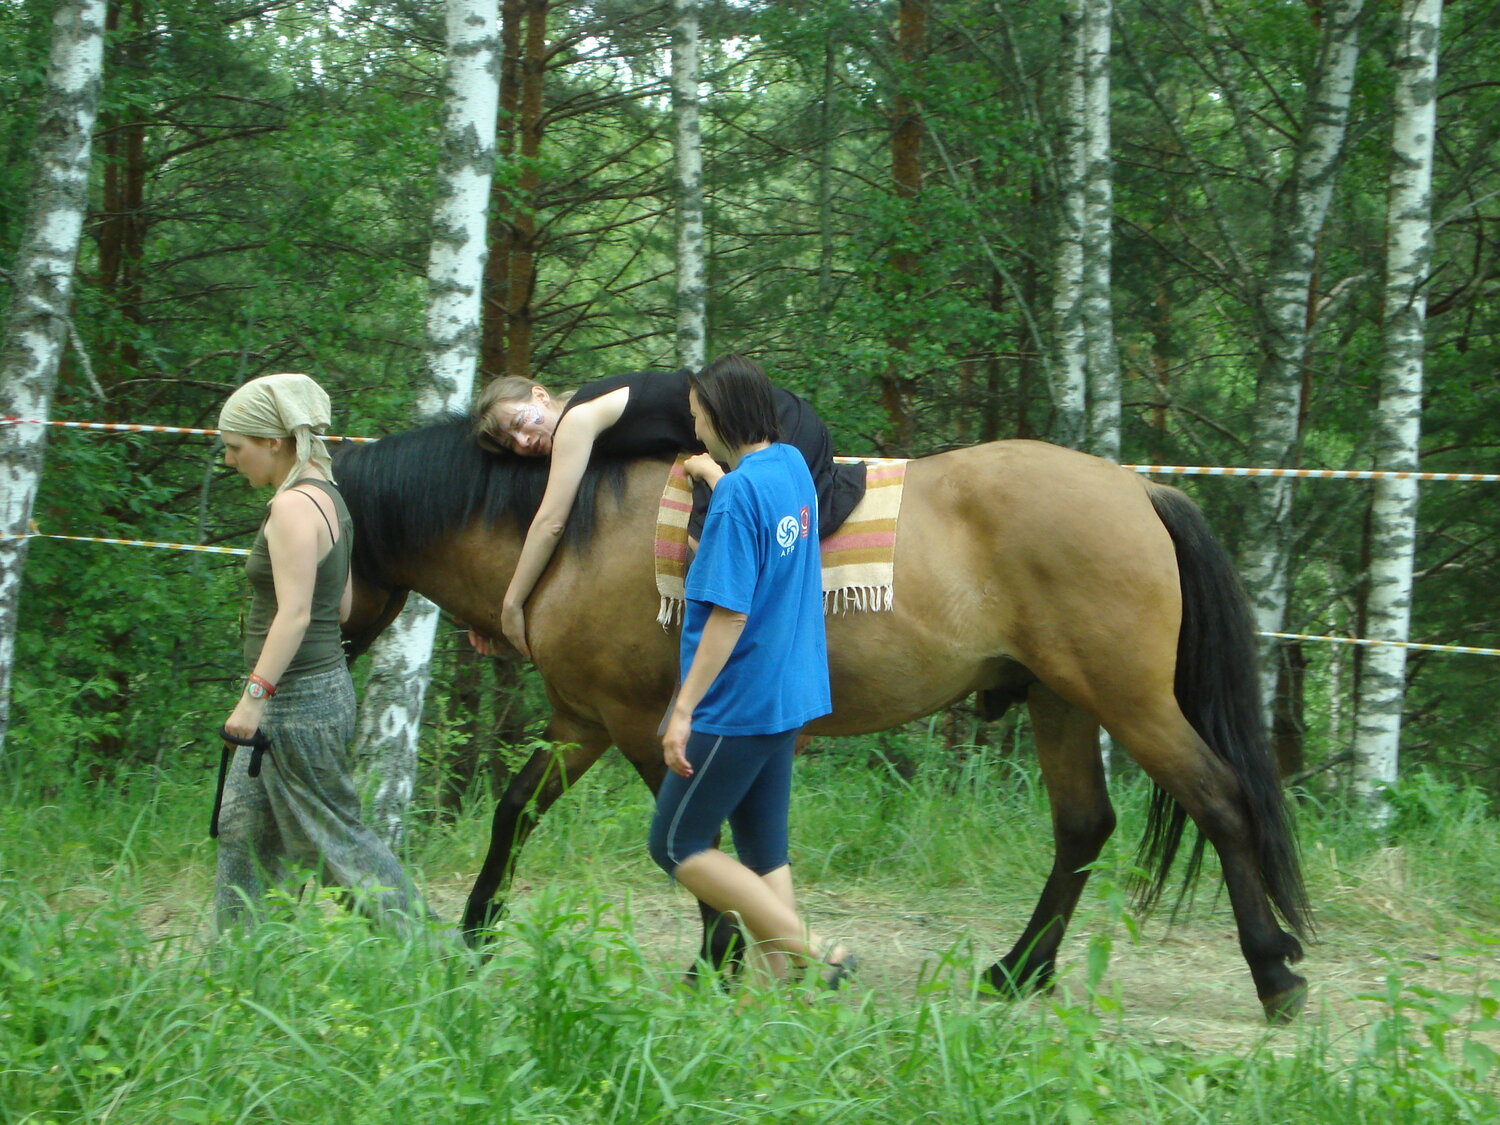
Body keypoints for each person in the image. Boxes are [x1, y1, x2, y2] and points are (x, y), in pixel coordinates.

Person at [646, 355, 855, 990]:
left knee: (677, 844)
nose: (692, 422)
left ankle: (819, 949)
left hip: (736, 702)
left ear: (718, 415)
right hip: (788, 695)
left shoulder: (737, 497)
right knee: (765, 851)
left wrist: (682, 708)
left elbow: (728, 616)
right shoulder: (790, 466)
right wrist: (715, 473)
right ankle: (772, 1004)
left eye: (697, 413)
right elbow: (757, 502)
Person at [214, 373, 422, 935]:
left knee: (338, 841)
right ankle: (237, 963)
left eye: (237, 448)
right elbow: (344, 601)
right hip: (314, 688)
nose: (231, 461)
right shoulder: (328, 495)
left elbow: (299, 614)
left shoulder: (290, 510)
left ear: (274, 441)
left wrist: (255, 697)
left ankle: (433, 952)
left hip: (294, 701)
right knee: (241, 829)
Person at [471, 362, 864, 658]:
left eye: (520, 421)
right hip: (754, 434)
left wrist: (510, 605)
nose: (523, 439)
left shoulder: (576, 421)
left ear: (540, 395)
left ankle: (754, 668)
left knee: (712, 550)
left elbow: (551, 523)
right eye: (512, 442)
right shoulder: (584, 403)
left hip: (770, 433)